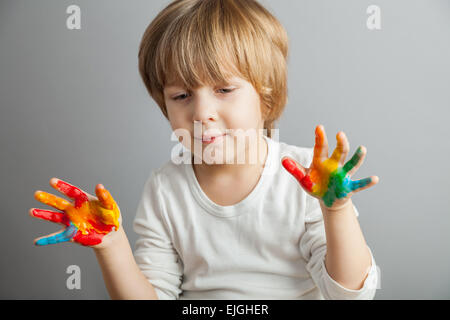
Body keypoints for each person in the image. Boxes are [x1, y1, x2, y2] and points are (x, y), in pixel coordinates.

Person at [30, 0, 380, 300]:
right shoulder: (165, 190)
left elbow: (350, 292)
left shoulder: (307, 178)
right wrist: (112, 245)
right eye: (181, 96)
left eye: (224, 89)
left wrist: (337, 211)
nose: (200, 112)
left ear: (266, 95)